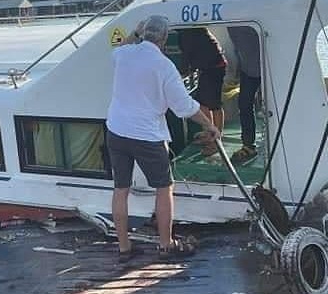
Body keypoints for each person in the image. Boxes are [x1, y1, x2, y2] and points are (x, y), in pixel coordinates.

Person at [106, 16, 220, 262]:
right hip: (146, 135)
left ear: (142, 33)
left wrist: (135, 32)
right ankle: (166, 244)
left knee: (120, 189)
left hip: (116, 130)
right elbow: (184, 107)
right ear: (165, 39)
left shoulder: (123, 54)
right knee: (163, 188)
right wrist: (210, 125)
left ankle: (124, 248)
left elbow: (120, 47)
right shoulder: (164, 65)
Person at [176, 28, 228, 156]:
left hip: (215, 66)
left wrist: (181, 74)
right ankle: (209, 132)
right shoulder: (189, 31)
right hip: (207, 66)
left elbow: (187, 55)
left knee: (215, 104)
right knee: (202, 103)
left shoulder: (187, 32)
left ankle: (216, 141)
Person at [227, 26, 262, 164]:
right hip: (248, 70)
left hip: (270, 67)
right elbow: (237, 47)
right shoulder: (231, 24)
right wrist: (238, 66)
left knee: (275, 106)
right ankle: (248, 145)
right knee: (244, 105)